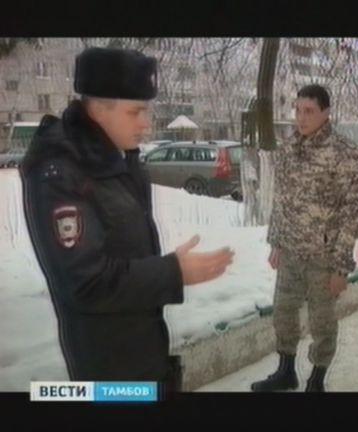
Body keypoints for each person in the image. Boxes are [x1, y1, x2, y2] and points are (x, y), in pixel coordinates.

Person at [20, 47, 234, 395]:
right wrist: (173, 272)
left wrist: (167, 269)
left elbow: (124, 249)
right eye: (135, 111)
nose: (146, 123)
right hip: (108, 368)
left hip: (143, 352)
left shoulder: (117, 157)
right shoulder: (60, 171)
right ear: (97, 109)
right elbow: (85, 283)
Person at [251, 84, 358, 392]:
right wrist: (276, 241)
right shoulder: (290, 148)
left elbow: (355, 214)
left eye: (309, 111)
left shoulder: (345, 154)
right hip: (291, 251)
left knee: (322, 321)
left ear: (326, 112)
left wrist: (341, 266)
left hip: (324, 257)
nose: (301, 118)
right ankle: (285, 371)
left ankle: (316, 379)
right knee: (283, 312)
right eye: (298, 110)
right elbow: (281, 199)